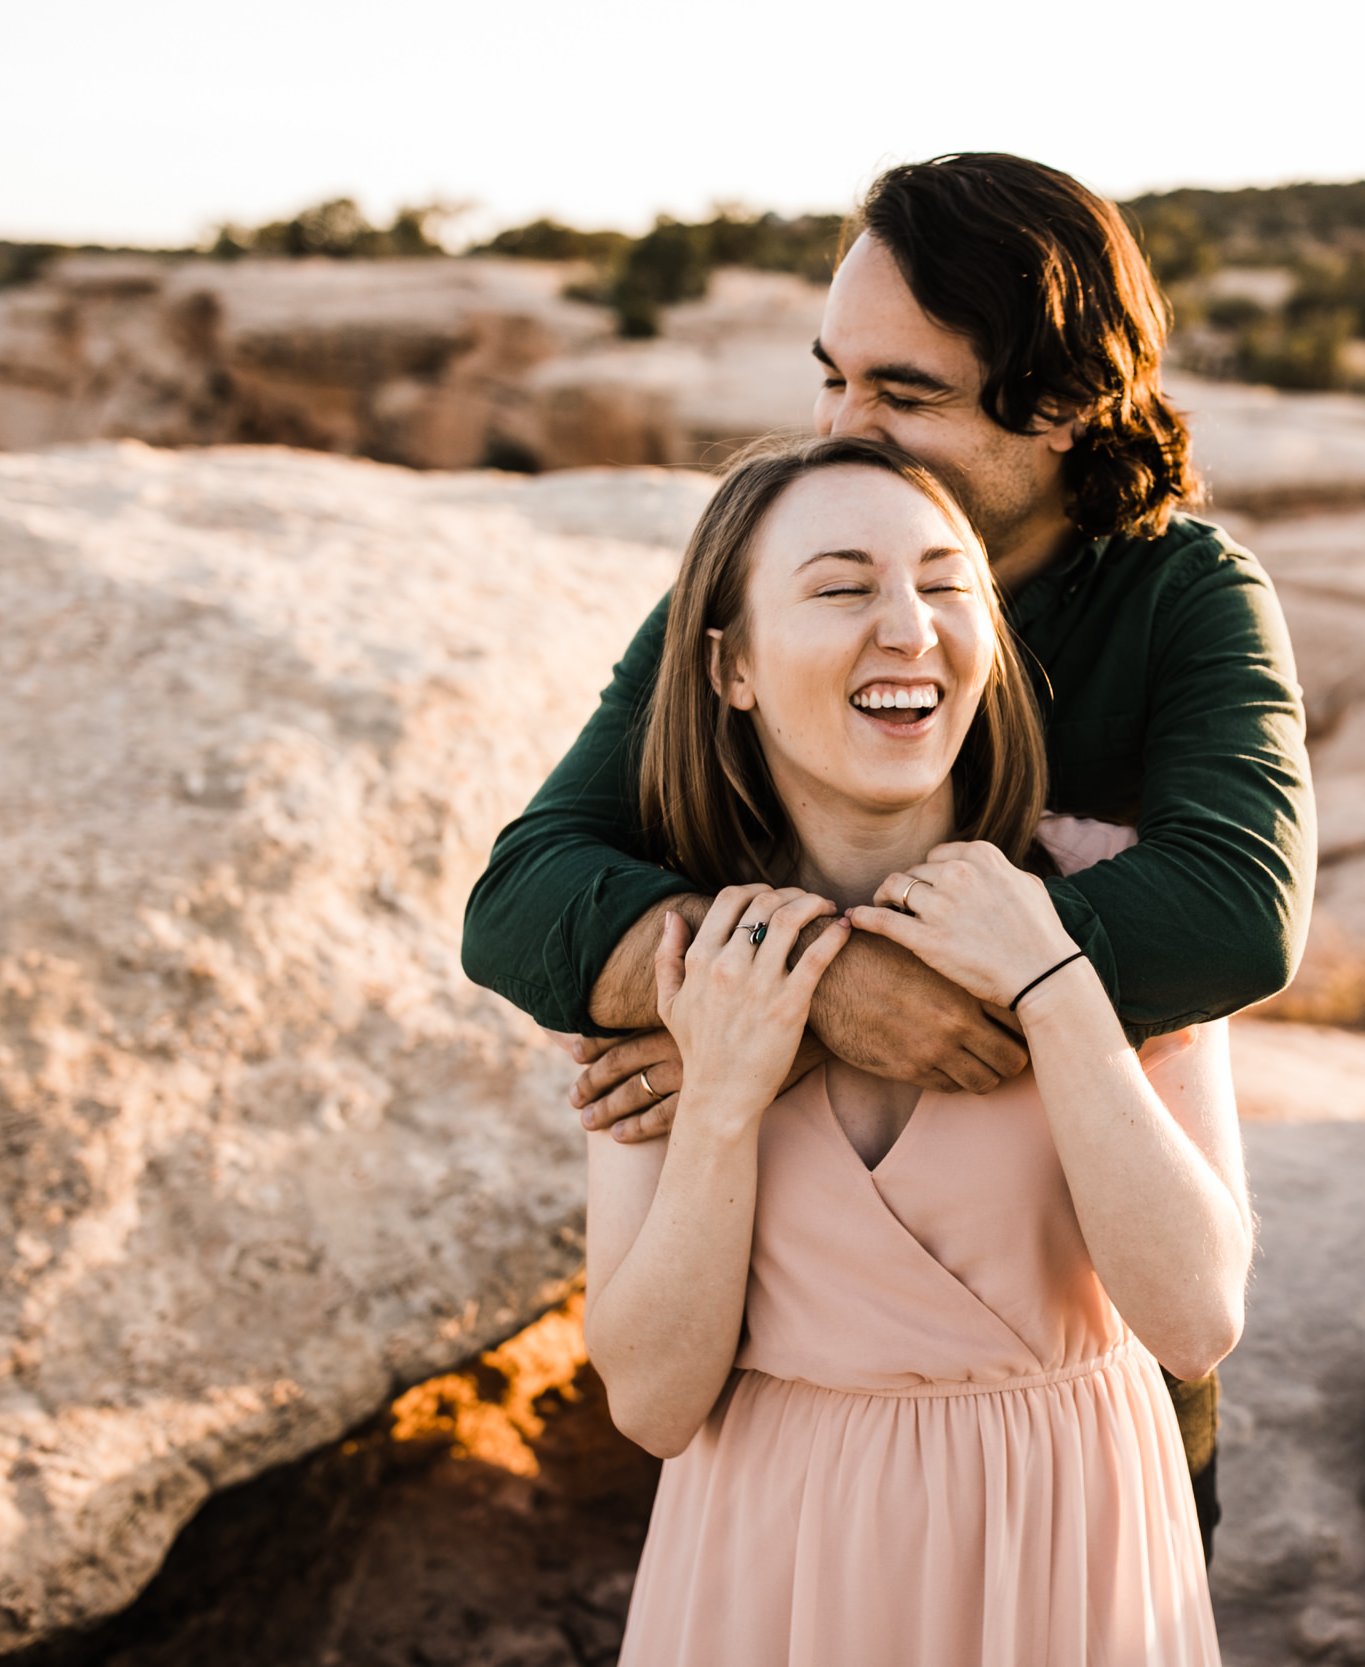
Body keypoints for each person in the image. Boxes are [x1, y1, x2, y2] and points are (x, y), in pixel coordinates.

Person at [461, 151, 1315, 1553]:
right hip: (799, 1432)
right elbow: (524, 899)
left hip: (1095, 1402)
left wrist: (769, 1031)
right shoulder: (757, 573)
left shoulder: (1186, 594)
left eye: (902, 393)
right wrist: (830, 996)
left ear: (1059, 405)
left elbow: (1232, 916)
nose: (845, 429)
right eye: (832, 376)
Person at [585, 435, 1249, 1664]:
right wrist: (727, 1094)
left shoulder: (1116, 891)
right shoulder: (673, 954)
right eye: (842, 587)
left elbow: (1197, 1318)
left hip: (1069, 1552)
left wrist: (1054, 985)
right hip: (775, 1566)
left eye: (948, 584)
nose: (907, 626)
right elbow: (654, 1403)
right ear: (729, 665)